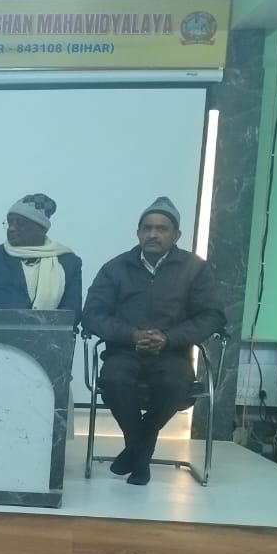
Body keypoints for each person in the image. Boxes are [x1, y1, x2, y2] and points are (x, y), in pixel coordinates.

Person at [81, 197, 224, 486]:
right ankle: (141, 452)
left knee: (174, 384)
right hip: (124, 351)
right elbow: (93, 315)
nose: (153, 234)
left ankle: (136, 451)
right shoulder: (115, 268)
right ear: (138, 233)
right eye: (147, 228)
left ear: (176, 235)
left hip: (172, 354)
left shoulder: (194, 269)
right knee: (115, 379)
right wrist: (131, 334)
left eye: (161, 229)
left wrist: (168, 338)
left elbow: (211, 316)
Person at [0, 194, 82, 313]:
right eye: (10, 222)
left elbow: (72, 312)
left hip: (50, 329)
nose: (12, 228)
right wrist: (6, 319)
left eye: (20, 223)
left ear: (41, 229)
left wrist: (40, 323)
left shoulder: (67, 262)